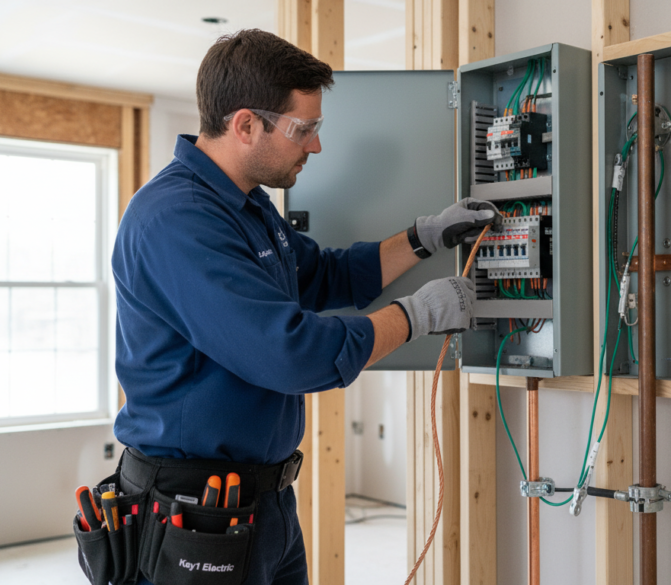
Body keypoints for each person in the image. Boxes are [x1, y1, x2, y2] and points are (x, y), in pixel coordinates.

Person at [108, 29, 498, 585]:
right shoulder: (176, 220)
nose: (315, 146)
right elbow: (292, 353)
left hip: (264, 505)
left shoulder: (246, 206)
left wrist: (425, 237)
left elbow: (324, 275)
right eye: (304, 129)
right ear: (246, 125)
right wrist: (417, 315)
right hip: (193, 511)